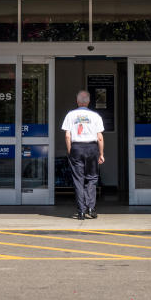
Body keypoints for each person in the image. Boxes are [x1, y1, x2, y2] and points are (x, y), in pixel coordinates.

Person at [61, 90, 105, 220]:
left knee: (78, 180)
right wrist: (101, 154)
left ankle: (81, 211)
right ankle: (91, 208)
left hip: (76, 148)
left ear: (77, 101)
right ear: (89, 101)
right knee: (92, 178)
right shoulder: (95, 115)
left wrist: (70, 151)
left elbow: (67, 135)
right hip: (92, 148)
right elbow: (100, 137)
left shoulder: (70, 115)